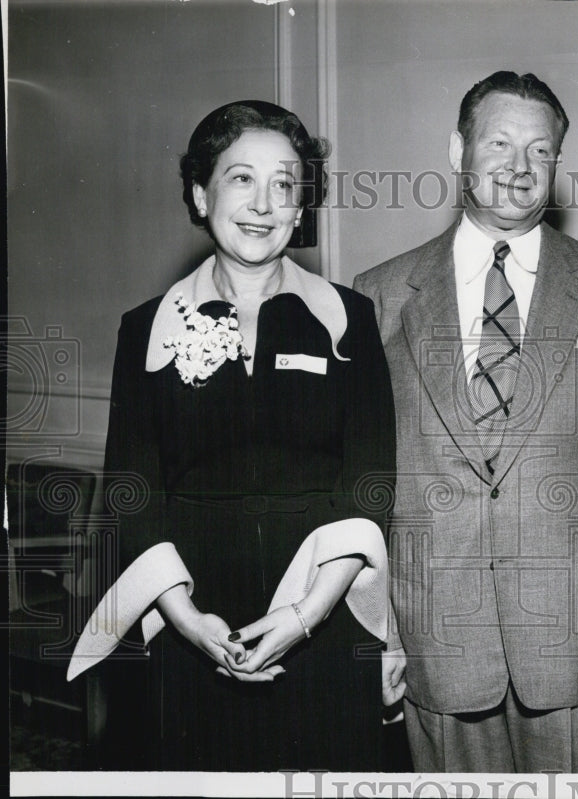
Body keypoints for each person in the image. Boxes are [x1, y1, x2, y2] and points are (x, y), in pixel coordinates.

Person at [68, 100, 395, 771]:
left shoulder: (350, 318)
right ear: (200, 193)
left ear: (302, 208)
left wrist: (304, 616)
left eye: (285, 185)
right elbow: (133, 494)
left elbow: (370, 486)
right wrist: (189, 623)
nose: (264, 204)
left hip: (323, 615)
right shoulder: (146, 327)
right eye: (241, 178)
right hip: (190, 618)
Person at [354, 71, 578, 773]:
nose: (519, 166)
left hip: (572, 636)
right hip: (436, 635)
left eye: (540, 151)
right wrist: (379, 631)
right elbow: (367, 483)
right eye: (499, 144)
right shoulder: (379, 293)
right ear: (459, 150)